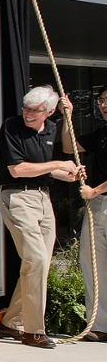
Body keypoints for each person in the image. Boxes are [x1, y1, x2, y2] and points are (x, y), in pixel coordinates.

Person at [0, 86, 83, 348]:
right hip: (17, 196)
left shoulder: (52, 128)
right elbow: (18, 169)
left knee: (40, 264)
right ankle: (33, 330)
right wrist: (57, 165)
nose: (28, 114)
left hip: (43, 198)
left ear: (50, 112)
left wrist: (65, 173)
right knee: (35, 259)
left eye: (35, 110)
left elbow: (44, 168)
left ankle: (11, 322)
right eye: (26, 108)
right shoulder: (11, 126)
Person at [61, 88, 107, 342]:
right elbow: (70, 147)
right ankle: (99, 325)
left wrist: (95, 190)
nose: (104, 105)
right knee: (94, 265)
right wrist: (68, 117)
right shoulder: (101, 134)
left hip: (98, 196)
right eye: (101, 101)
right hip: (97, 204)